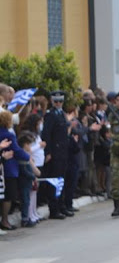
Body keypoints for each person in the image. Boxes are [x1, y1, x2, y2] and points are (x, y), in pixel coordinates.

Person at [40, 90, 70, 219]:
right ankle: (54, 209)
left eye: (60, 101)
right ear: (52, 101)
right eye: (56, 101)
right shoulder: (50, 115)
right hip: (55, 153)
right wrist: (48, 152)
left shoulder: (62, 114)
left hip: (63, 152)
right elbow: (47, 134)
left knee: (61, 180)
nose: (58, 103)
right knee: (55, 181)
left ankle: (61, 206)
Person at [0, 111, 30, 230]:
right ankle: (5, 220)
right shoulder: (8, 134)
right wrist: (28, 157)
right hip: (9, 167)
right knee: (9, 195)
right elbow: (16, 150)